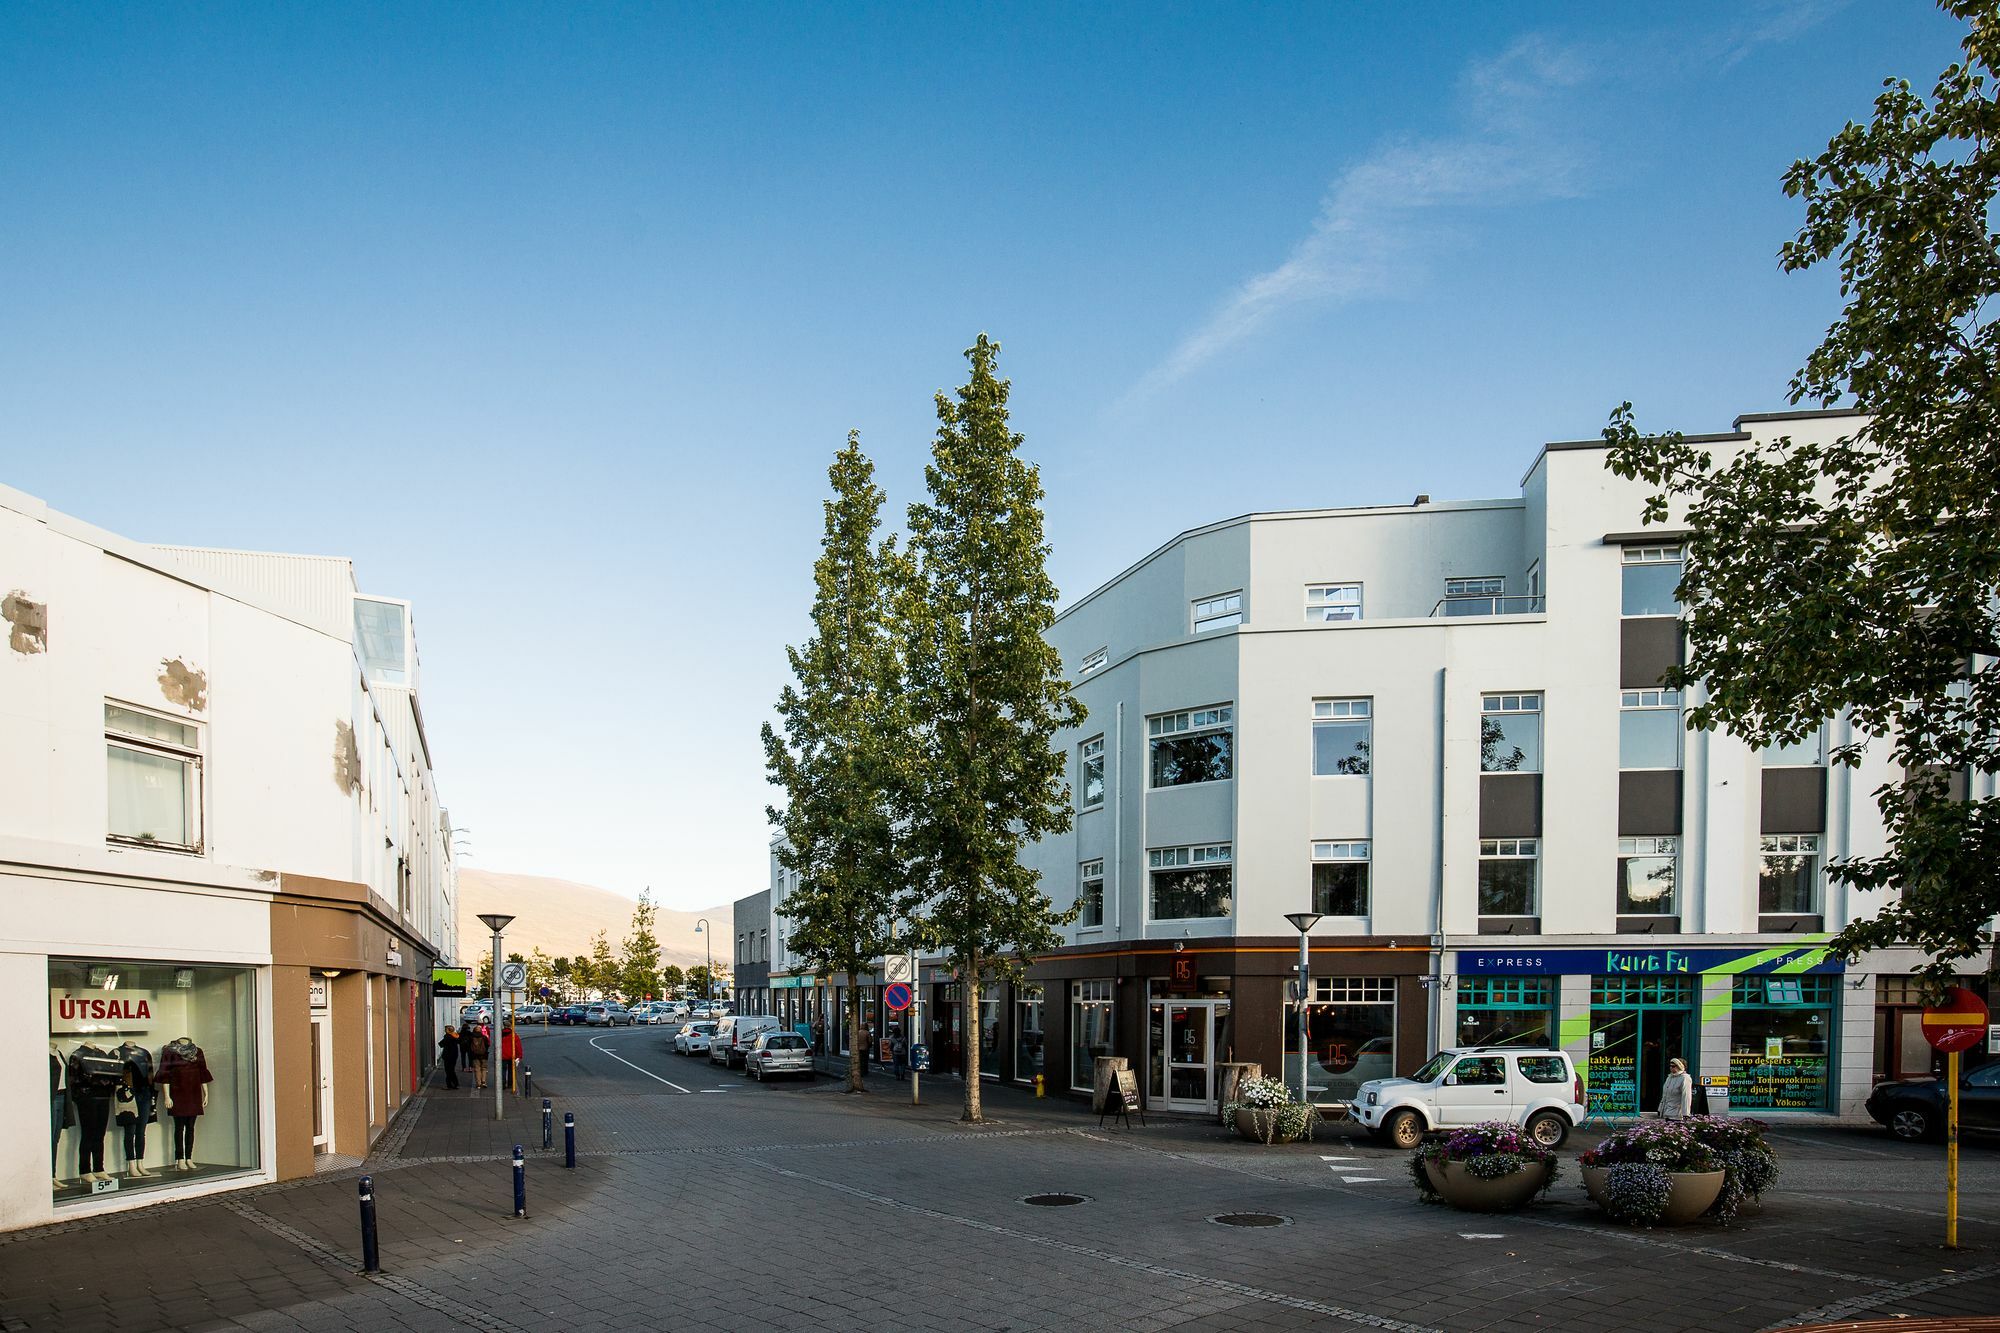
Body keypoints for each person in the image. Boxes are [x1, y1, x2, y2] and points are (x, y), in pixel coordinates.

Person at [465, 1023, 491, 1091]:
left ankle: (478, 1083)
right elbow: (488, 1045)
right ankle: (483, 1081)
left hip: (474, 1055)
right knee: (484, 1068)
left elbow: (468, 1046)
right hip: (484, 1055)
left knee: (477, 1069)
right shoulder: (484, 1037)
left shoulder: (471, 1037)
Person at [500, 1021, 523, 1092]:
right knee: (511, 1070)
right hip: (512, 1055)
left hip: (502, 1055)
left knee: (503, 1070)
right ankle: (510, 1084)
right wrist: (519, 1056)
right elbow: (518, 1046)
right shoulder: (514, 1035)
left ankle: (502, 1084)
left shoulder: (499, 1034)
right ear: (510, 1026)